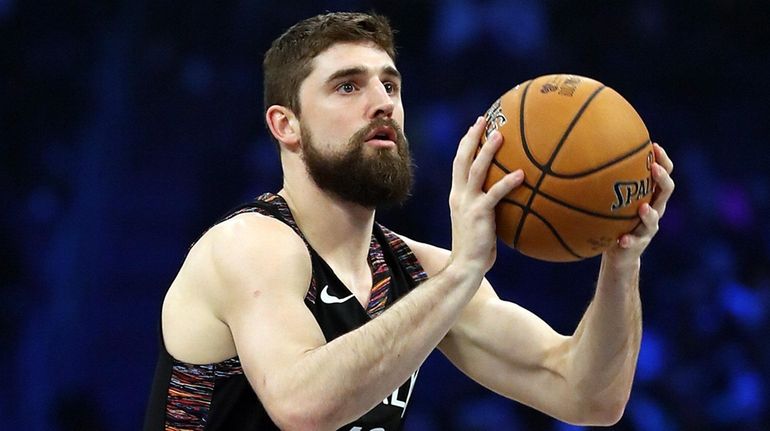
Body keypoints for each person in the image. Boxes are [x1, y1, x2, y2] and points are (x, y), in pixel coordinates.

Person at [143, 11, 675, 431]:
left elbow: (589, 396)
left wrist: (620, 257)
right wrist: (465, 269)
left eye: (390, 86)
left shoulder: (417, 271)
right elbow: (302, 407)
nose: (382, 103)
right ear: (287, 125)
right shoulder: (248, 244)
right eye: (348, 86)